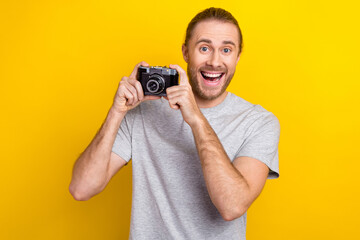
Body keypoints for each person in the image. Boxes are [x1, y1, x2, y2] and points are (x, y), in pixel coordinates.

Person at [69, 7, 280, 240]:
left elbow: (232, 206)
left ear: (238, 56)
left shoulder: (258, 122)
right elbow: (81, 188)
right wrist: (116, 112)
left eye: (226, 50)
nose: (214, 61)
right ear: (186, 53)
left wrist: (196, 119)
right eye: (204, 48)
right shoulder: (143, 112)